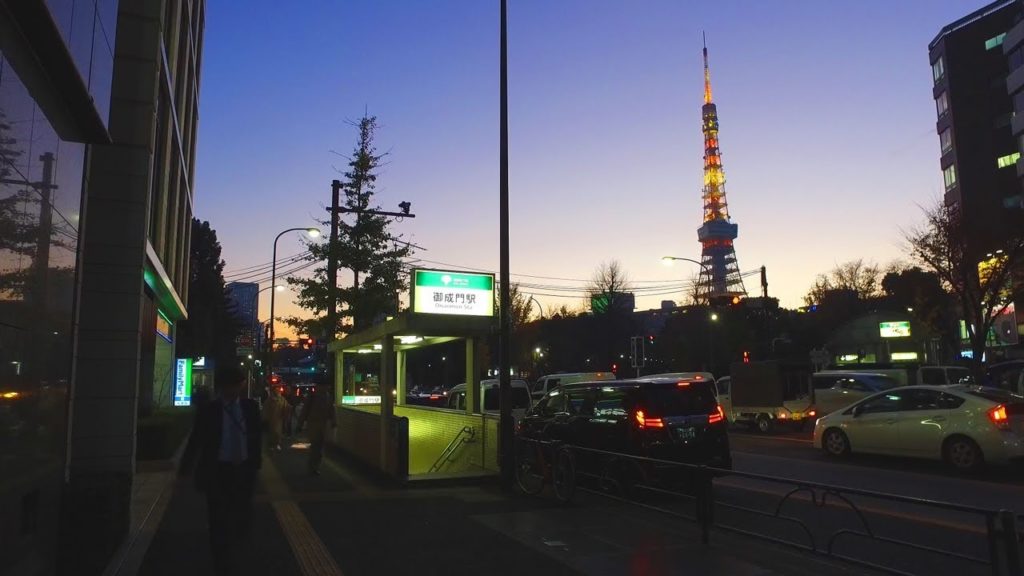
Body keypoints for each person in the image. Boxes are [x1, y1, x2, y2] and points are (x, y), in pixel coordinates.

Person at [180, 364, 262, 575]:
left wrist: (255, 463)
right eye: (229, 386)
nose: (233, 390)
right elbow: (196, 439)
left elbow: (255, 437)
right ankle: (221, 561)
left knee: (241, 514)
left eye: (236, 385)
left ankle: (235, 549)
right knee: (218, 517)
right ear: (221, 387)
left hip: (243, 469)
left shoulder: (250, 407)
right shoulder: (209, 410)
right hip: (217, 469)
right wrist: (185, 469)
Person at [299, 386, 336, 475]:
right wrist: (334, 421)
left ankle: (314, 467)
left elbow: (304, 411)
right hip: (317, 425)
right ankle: (314, 467)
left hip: (316, 425)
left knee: (317, 447)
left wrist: (300, 424)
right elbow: (332, 410)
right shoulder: (323, 397)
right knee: (317, 447)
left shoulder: (316, 396)